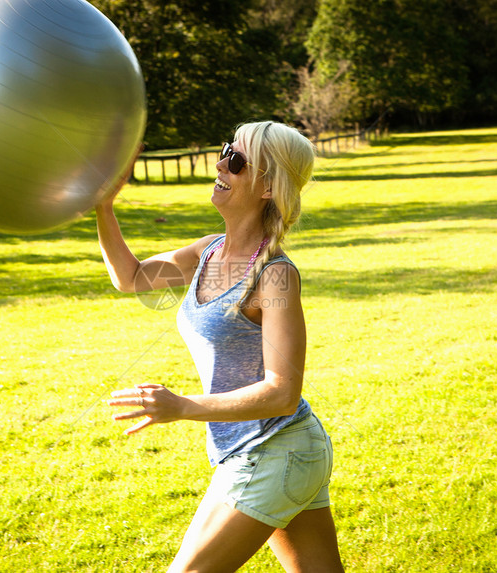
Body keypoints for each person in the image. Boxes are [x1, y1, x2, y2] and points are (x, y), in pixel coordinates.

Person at [96, 121, 345, 573]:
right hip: (275, 450)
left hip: (275, 448)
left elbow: (282, 391)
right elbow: (130, 278)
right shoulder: (208, 252)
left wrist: (182, 405)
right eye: (225, 149)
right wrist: (103, 206)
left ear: (268, 186)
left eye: (237, 160)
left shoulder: (275, 276)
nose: (220, 163)